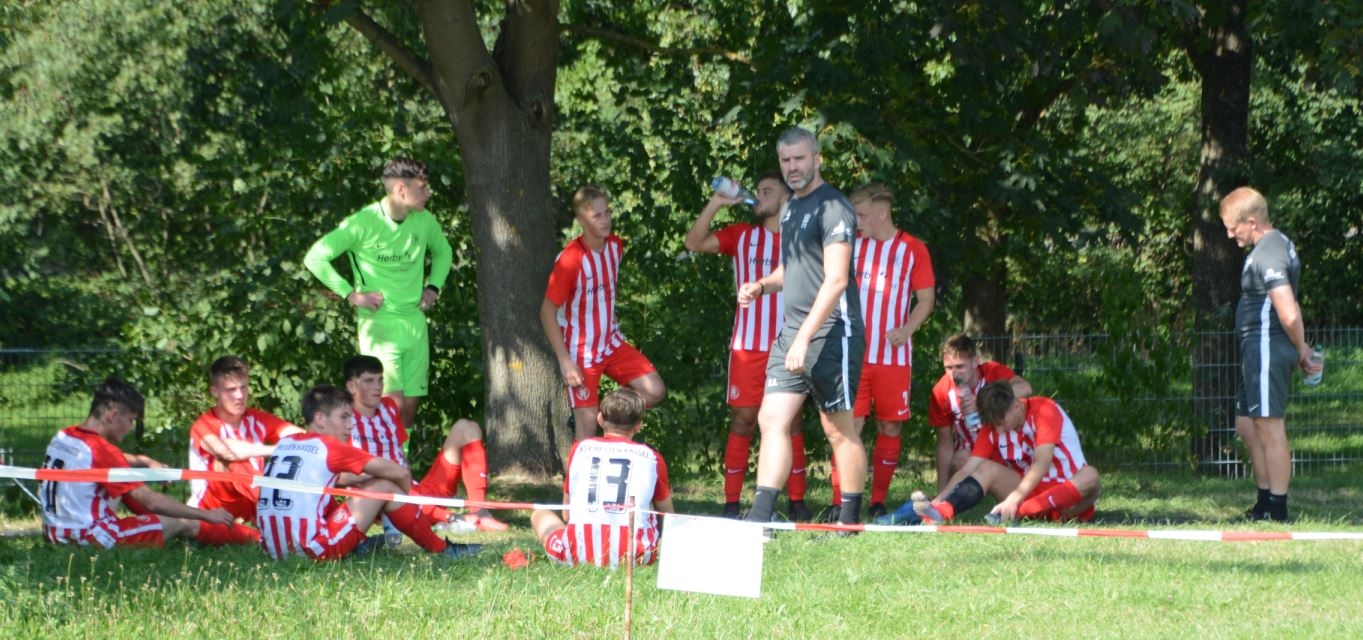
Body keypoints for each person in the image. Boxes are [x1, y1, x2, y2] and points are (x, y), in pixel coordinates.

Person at [737, 127, 866, 529]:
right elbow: (789, 268)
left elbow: (836, 280)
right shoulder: (791, 207)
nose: (792, 167)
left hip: (832, 331)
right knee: (771, 419)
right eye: (785, 160)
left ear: (816, 159)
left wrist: (805, 337)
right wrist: (761, 285)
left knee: (837, 428)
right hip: (792, 332)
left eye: (799, 159)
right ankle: (760, 518)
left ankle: (849, 520)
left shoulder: (834, 208)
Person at [684, 170, 811, 521]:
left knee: (791, 422)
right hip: (748, 346)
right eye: (757, 190)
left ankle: (796, 502)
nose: (758, 195)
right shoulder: (742, 235)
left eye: (767, 191)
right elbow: (693, 242)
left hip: (789, 343)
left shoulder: (802, 237)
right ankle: (731, 504)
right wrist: (716, 202)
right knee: (743, 421)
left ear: (786, 197)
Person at [304, 157, 453, 428]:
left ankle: (401, 454)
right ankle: (379, 455)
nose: (429, 193)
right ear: (400, 189)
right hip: (380, 325)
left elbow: (443, 252)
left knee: (409, 409)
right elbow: (315, 258)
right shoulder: (363, 222)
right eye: (422, 187)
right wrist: (350, 294)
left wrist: (433, 287)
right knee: (390, 406)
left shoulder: (424, 220)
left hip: (414, 323)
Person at [255, 384, 480, 561]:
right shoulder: (329, 447)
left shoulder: (286, 443)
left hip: (270, 549)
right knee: (384, 487)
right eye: (344, 417)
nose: (350, 425)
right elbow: (399, 473)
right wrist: (407, 504)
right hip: (312, 550)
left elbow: (333, 480)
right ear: (320, 419)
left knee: (336, 490)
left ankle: (358, 543)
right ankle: (441, 549)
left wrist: (358, 481)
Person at [40, 378, 259, 549]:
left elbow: (100, 460)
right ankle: (256, 538)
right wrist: (206, 514)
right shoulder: (105, 451)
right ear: (113, 415)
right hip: (88, 539)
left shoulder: (65, 436)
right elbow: (150, 501)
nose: (129, 428)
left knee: (123, 491)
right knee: (181, 521)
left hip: (54, 534)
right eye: (130, 420)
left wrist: (144, 461)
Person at [827, 183, 935, 521]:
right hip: (853, 356)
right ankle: (840, 502)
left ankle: (877, 501)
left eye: (861, 215)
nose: (856, 222)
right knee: (848, 427)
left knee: (890, 428)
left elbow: (926, 298)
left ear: (882, 213)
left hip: (893, 358)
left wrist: (907, 329)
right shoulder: (851, 246)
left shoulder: (913, 249)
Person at [1220, 187, 1319, 522]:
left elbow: (1288, 312)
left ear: (1252, 222)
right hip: (1255, 349)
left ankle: (1277, 510)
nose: (1230, 234)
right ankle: (1263, 502)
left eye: (1233, 228)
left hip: (1266, 346)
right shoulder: (1266, 248)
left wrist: (1301, 349)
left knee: (1268, 425)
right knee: (1248, 426)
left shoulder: (1270, 251)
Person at [540, 185, 665, 441]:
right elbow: (546, 312)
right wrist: (565, 361)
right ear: (581, 220)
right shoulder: (570, 260)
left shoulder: (615, 246)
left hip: (611, 342)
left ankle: (604, 411)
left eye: (607, 212)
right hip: (581, 352)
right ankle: (586, 425)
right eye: (597, 215)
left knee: (655, 390)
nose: (605, 220)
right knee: (586, 431)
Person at [343, 355, 507, 532]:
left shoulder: (389, 407)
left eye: (380, 380)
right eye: (369, 381)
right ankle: (453, 519)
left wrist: (409, 485)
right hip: (380, 497)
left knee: (466, 427)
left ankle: (479, 510)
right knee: (395, 492)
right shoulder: (342, 418)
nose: (377, 386)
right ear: (351, 386)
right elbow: (337, 471)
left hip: (411, 489)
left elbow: (399, 453)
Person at [912, 381, 1100, 524]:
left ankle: (1018, 512)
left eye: (1002, 423)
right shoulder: (993, 425)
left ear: (1016, 406)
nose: (999, 430)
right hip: (1026, 492)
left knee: (1091, 476)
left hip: (1067, 499)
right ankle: (943, 512)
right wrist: (938, 501)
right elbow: (966, 470)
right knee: (986, 468)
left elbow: (1042, 463)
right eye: (995, 425)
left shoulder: (1045, 411)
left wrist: (1013, 500)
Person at [530, 388, 674, 568]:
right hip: (636, 557)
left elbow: (567, 513)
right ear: (638, 425)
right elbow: (668, 517)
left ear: (600, 419)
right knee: (649, 503)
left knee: (539, 514)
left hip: (576, 556)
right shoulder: (652, 458)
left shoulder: (579, 450)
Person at [187, 356, 302, 522]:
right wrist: (277, 450)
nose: (240, 395)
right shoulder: (204, 424)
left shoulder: (256, 419)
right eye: (231, 390)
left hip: (250, 508)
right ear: (215, 392)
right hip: (212, 513)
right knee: (232, 460)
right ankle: (279, 507)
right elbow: (225, 451)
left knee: (304, 455)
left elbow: (303, 437)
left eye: (243, 387)